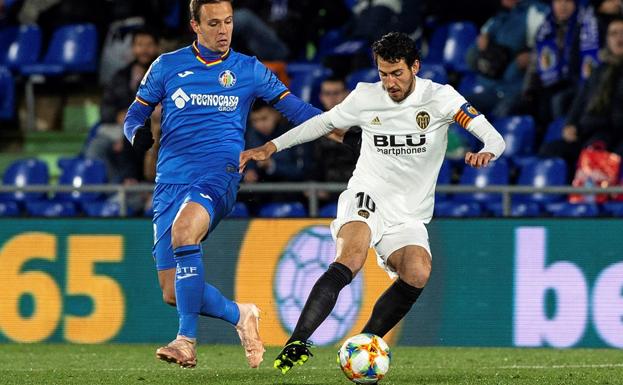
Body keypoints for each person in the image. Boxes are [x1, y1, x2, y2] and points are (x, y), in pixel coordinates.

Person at [240, 32, 506, 374]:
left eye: (397, 73)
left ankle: (363, 346)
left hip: (409, 212)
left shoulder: (441, 98)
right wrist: (272, 147)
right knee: (351, 257)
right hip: (367, 195)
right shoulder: (366, 96)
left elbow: (493, 137)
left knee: (418, 271)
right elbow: (323, 123)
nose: (390, 82)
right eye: (383, 73)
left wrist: (487, 152)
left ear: (415, 67)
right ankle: (299, 340)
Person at [123, 0, 323, 369]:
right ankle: (240, 315)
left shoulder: (248, 69)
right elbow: (135, 113)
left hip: (220, 175)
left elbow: (296, 110)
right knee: (173, 292)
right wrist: (136, 133)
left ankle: (186, 341)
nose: (223, 30)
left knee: (185, 232)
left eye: (228, 22)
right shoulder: (167, 66)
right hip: (170, 184)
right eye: (213, 23)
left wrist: (342, 126)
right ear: (194, 26)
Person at [541, 16, 623, 174]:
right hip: (587, 132)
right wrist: (570, 124)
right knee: (550, 149)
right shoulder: (599, 71)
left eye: (622, 33)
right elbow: (580, 101)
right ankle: (567, 195)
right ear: (607, 39)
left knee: (600, 149)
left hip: (615, 135)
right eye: (614, 33)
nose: (619, 38)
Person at [519, 0, 581, 137]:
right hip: (549, 83)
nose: (563, 6)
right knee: (527, 101)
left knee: (558, 100)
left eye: (568, 1)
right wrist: (528, 88)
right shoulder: (545, 29)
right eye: (558, 1)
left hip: (573, 83)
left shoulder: (583, 28)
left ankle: (559, 139)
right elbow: (534, 64)